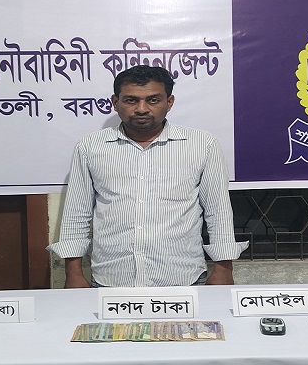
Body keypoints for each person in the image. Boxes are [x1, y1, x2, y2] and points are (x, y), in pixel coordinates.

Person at [49, 65, 248, 287]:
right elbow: (77, 213)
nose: (142, 109)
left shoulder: (202, 145)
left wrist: (223, 269)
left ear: (169, 102)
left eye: (153, 100)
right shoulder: (90, 147)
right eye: (131, 100)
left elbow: (218, 211)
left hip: (183, 279)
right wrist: (74, 273)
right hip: (111, 280)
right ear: (115, 103)